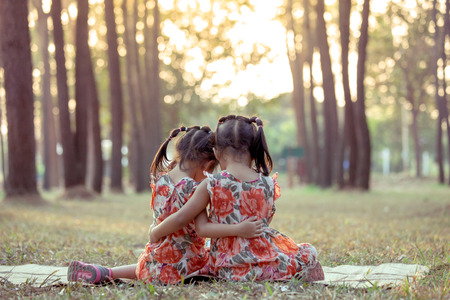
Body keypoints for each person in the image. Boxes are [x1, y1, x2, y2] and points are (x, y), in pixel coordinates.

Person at [68, 125, 263, 284]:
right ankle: (107, 272)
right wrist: (156, 232)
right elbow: (181, 220)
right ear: (206, 164)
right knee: (214, 263)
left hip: (158, 255)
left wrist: (156, 233)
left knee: (147, 267)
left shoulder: (161, 180)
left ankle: (106, 272)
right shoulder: (193, 187)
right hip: (185, 261)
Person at [150, 115, 324, 282]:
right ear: (254, 150)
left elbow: (200, 228)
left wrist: (156, 232)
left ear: (216, 153)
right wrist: (243, 230)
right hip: (264, 259)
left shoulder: (212, 183)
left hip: (225, 267)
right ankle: (279, 270)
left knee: (206, 254)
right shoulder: (268, 184)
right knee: (307, 251)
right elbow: (262, 225)